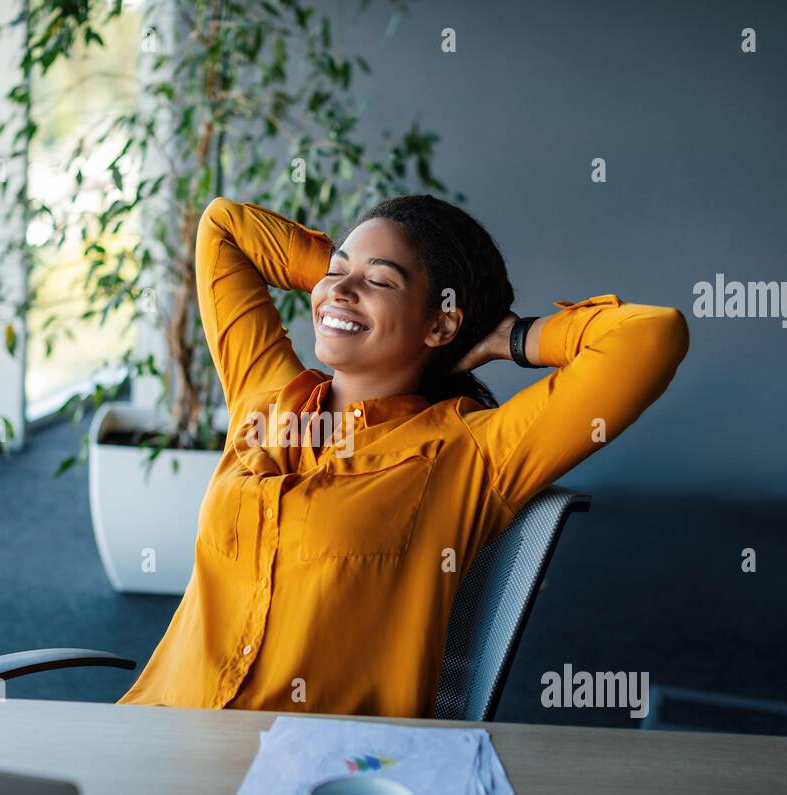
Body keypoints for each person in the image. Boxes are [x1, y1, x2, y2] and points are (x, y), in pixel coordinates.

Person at [116, 195, 689, 718]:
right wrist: (345, 283)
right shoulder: (263, 395)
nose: (340, 289)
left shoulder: (470, 453)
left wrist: (507, 336)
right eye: (337, 272)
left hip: (317, 781)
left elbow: (650, 336)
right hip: (161, 725)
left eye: (380, 281)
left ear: (442, 321)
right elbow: (223, 228)